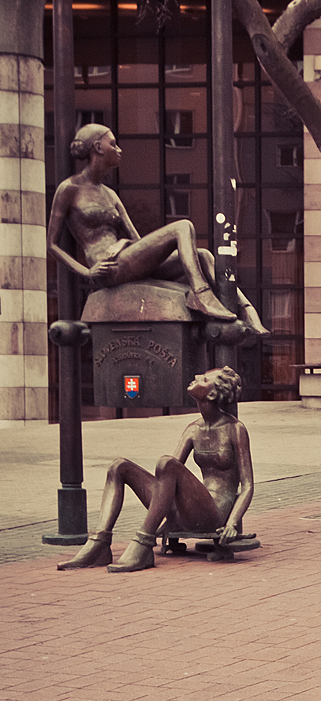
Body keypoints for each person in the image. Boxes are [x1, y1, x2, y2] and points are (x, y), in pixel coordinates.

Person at [47, 123, 268, 335]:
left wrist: (132, 247)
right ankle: (201, 294)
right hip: (108, 269)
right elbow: (52, 244)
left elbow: (136, 239)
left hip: (125, 259)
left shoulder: (110, 195)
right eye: (113, 144)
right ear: (98, 148)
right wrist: (87, 272)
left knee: (203, 255)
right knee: (183, 226)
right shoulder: (69, 189)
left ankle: (245, 308)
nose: (119, 150)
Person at [58, 366, 253, 572]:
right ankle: (99, 544)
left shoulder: (235, 429)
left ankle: (144, 543)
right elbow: (167, 480)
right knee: (119, 466)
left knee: (166, 463)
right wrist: (169, 517)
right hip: (188, 511)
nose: (196, 377)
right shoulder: (192, 429)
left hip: (214, 513)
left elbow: (247, 485)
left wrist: (231, 523)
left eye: (203, 379)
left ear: (212, 393)